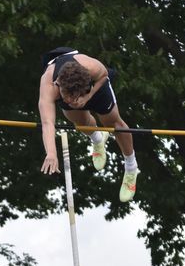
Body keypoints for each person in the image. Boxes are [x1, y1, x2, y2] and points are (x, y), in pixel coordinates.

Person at [38, 47, 139, 202]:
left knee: (111, 123)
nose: (71, 100)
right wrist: (51, 153)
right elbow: (47, 122)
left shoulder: (91, 67)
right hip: (71, 88)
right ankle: (98, 139)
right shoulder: (49, 85)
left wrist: (88, 95)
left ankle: (131, 167)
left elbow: (104, 75)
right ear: (59, 85)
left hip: (95, 88)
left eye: (74, 97)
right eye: (67, 96)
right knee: (81, 121)